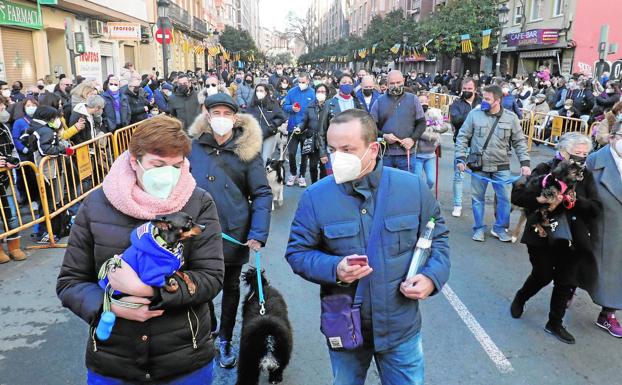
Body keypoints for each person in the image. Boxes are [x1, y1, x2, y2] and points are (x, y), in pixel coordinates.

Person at [285, 109, 450, 385]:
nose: (337, 157)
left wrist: (432, 278)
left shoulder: (412, 189)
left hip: (401, 329)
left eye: (347, 149)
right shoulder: (315, 197)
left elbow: (438, 238)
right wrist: (334, 268)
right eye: (333, 149)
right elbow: (297, 253)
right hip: (345, 327)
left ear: (373, 149)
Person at [57, 115, 224, 384]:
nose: (168, 175)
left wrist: (150, 290)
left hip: (184, 359)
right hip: (114, 360)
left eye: (177, 165)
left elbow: (211, 276)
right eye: (158, 165)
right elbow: (70, 282)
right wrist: (110, 306)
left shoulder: (198, 203)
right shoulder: (96, 205)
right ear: (134, 162)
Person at [187, 93, 272, 369]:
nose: (221, 118)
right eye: (216, 112)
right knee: (199, 286)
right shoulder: (193, 147)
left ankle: (224, 339)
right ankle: (208, 328)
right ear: (207, 115)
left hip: (234, 233)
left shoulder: (247, 150)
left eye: (227, 112)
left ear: (235, 117)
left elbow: (261, 193)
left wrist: (258, 233)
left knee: (230, 288)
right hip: (196, 234)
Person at [511, 133, 600, 344]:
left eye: (585, 154)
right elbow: (518, 196)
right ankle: (521, 297)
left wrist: (572, 203)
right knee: (542, 274)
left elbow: (596, 208)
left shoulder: (586, 176)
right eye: (576, 154)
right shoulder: (544, 170)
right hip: (542, 233)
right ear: (562, 152)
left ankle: (555, 323)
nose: (581, 159)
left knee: (566, 280)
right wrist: (539, 198)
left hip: (572, 237)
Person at [455, 84, 531, 242]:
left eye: (487, 99)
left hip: (501, 166)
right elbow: (462, 136)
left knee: (505, 199)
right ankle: (478, 228)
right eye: (483, 97)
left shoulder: (511, 118)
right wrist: (460, 158)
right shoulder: (474, 115)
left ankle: (500, 228)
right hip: (478, 165)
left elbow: (519, 142)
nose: (483, 101)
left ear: (497, 100)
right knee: (477, 199)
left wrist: (525, 163)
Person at [585, 121, 622, 338]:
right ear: (612, 138)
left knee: (617, 272)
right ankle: (567, 293)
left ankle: (608, 313)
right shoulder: (594, 161)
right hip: (599, 226)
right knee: (586, 263)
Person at [371, 70, 426, 173]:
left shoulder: (413, 99)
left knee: (407, 186)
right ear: (386, 84)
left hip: (407, 153)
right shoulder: (379, 101)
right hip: (386, 154)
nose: (395, 86)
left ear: (403, 81)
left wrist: (412, 139)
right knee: (386, 185)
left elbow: (422, 123)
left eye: (398, 82)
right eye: (392, 83)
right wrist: (383, 136)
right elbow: (371, 125)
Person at [317, 74, 364, 176]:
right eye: (344, 82)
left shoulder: (357, 103)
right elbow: (321, 130)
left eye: (350, 83)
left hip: (353, 150)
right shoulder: (329, 104)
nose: (347, 85)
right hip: (334, 149)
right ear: (338, 84)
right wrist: (323, 153)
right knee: (333, 179)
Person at [449, 78, 482, 217]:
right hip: (461, 144)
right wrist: (474, 113)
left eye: (470, 89)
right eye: (465, 89)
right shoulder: (456, 103)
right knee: (459, 176)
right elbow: (456, 121)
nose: (467, 91)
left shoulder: (482, 102)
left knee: (479, 178)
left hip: (479, 145)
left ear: (475, 89)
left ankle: (478, 206)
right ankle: (457, 205)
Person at [0, 96, 27, 262]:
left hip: (5, 178)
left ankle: (14, 246)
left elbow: (12, 149)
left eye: (2, 106)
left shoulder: (4, 128)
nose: (3, 110)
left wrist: (13, 162)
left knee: (11, 213)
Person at [283, 72, 315, 187]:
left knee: (304, 154)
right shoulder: (292, 92)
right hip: (293, 127)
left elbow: (315, 109)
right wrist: (291, 108)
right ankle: (292, 173)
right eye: (299, 82)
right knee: (291, 153)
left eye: (303, 82)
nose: (301, 84)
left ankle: (301, 176)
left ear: (308, 81)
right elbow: (285, 106)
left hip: (306, 129)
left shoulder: (312, 93)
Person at [246, 83, 286, 165]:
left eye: (261, 90)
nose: (259, 92)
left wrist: (273, 125)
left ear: (266, 92)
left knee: (265, 159)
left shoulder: (272, 103)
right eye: (257, 90)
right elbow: (246, 118)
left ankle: (264, 176)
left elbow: (281, 117)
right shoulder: (252, 104)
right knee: (255, 159)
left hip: (269, 134)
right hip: (255, 136)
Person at [415, 95, 449, 189]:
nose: (424, 104)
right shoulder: (414, 115)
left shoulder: (434, 113)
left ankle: (424, 193)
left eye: (425, 101)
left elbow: (444, 126)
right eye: (421, 102)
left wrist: (435, 128)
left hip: (430, 154)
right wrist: (432, 136)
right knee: (417, 179)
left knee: (431, 180)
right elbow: (417, 132)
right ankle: (419, 196)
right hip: (417, 154)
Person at [300, 83, 329, 183]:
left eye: (323, 92)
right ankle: (314, 184)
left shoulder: (329, 106)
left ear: (327, 93)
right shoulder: (310, 106)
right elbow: (304, 121)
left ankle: (321, 186)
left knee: (324, 167)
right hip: (312, 139)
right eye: (319, 92)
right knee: (312, 166)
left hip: (325, 140)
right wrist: (299, 128)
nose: (321, 94)